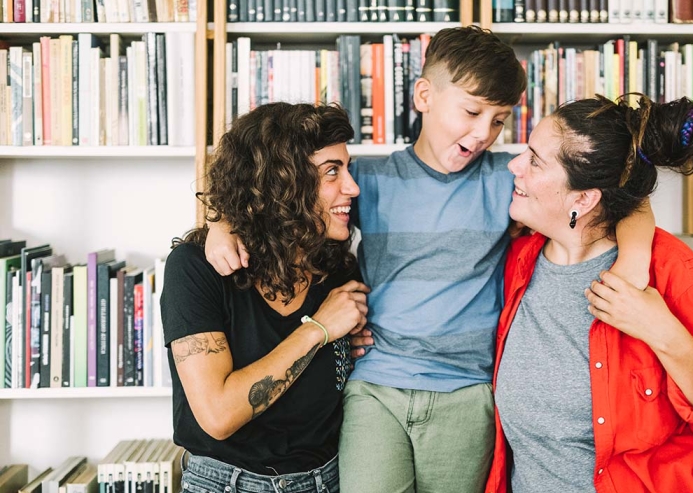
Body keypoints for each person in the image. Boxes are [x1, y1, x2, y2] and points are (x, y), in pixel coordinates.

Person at [204, 27, 654, 493]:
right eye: (472, 111)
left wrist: (633, 263)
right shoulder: (367, 182)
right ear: (424, 95)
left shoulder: (510, 180)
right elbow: (283, 203)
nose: (484, 133)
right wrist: (222, 224)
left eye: (499, 121)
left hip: (466, 393)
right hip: (377, 386)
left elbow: (628, 198)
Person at [486, 95, 693, 493]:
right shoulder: (517, 262)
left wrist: (662, 332)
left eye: (534, 160)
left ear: (582, 199)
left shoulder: (671, 272)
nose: (513, 165)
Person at [161, 102, 370, 493]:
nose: (353, 187)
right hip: (227, 484)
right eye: (331, 172)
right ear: (281, 184)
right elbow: (218, 415)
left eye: (348, 168)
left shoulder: (337, 266)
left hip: (330, 479)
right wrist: (319, 330)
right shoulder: (197, 268)